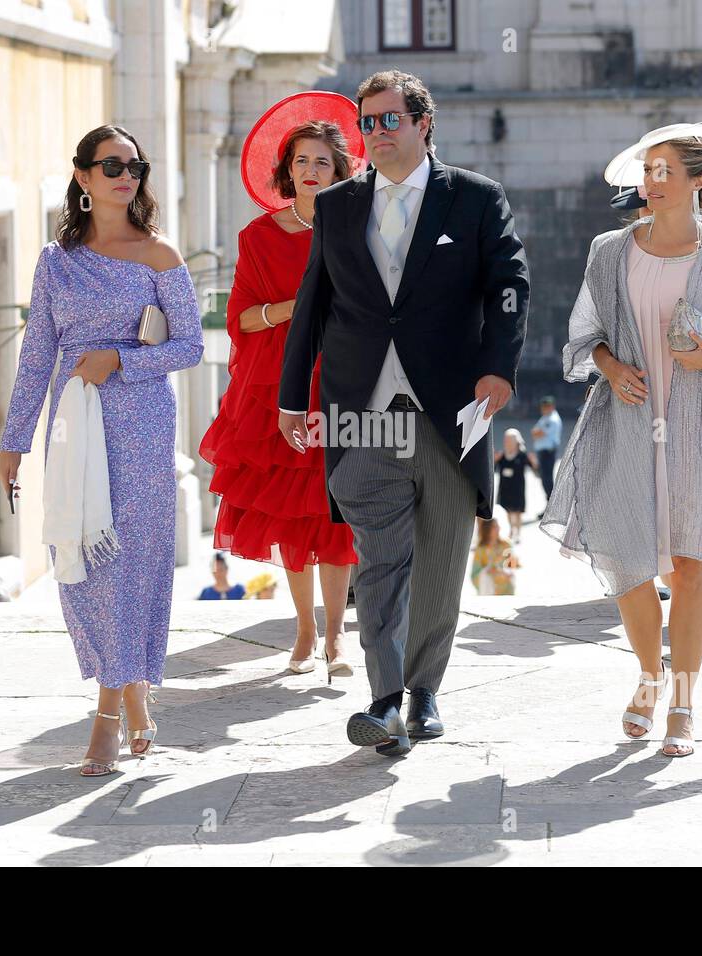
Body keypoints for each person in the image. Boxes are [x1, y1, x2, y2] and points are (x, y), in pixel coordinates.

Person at [278, 70, 529, 757]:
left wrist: (498, 366)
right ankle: (386, 697)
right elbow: (312, 305)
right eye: (369, 122)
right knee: (380, 560)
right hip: (360, 411)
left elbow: (510, 285)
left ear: (424, 124)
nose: (378, 132)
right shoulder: (335, 206)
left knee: (443, 561)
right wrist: (292, 395)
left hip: (450, 411)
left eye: (392, 119)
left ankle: (423, 693)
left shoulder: (475, 200)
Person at [541, 119, 702, 758]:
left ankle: (684, 703)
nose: (652, 181)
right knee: (631, 564)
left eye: (665, 170)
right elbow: (582, 338)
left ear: (699, 181)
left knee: (692, 566)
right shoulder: (610, 251)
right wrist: (612, 368)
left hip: (697, 426)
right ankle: (648, 675)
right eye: (646, 171)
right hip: (626, 425)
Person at [0, 125, 204, 776]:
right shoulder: (55, 261)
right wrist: (13, 442)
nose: (125, 175)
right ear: (83, 178)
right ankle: (134, 689)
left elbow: (189, 347)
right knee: (83, 559)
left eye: (134, 165)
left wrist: (120, 359)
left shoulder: (159, 255)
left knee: (130, 561)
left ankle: (107, 715)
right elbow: (36, 357)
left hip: (142, 422)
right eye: (110, 165)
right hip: (72, 428)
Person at [199, 94, 364, 679]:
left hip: (344, 385)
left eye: (323, 161)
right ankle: (303, 632)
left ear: (340, 171)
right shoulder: (258, 237)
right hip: (280, 388)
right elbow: (240, 318)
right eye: (302, 161)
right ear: (286, 170)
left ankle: (339, 638)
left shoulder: (358, 228)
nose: (312, 171)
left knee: (335, 513)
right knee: (294, 517)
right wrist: (295, 310)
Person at [493, 428, 538, 542]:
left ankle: (518, 532)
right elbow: (492, 470)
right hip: (505, 488)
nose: (507, 443)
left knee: (517, 511)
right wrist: (493, 460)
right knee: (507, 510)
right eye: (505, 440)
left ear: (516, 442)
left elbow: (535, 470)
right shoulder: (502, 455)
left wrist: (534, 462)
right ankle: (511, 531)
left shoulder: (522, 456)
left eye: (509, 441)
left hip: (517, 488)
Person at [530, 396, 562, 514]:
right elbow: (534, 432)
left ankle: (552, 507)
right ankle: (550, 506)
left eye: (547, 406)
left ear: (552, 406)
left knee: (547, 480)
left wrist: (536, 432)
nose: (544, 409)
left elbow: (539, 433)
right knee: (544, 479)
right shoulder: (545, 418)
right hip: (543, 452)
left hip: (548, 452)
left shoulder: (552, 419)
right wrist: (536, 432)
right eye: (543, 406)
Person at [471, 518, 519, 595]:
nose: (498, 528)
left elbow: (513, 563)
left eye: (498, 526)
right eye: (494, 526)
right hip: (489, 587)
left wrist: (508, 571)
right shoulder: (480, 549)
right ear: (487, 529)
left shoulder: (506, 544)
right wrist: (487, 571)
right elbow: (474, 573)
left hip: (506, 585)